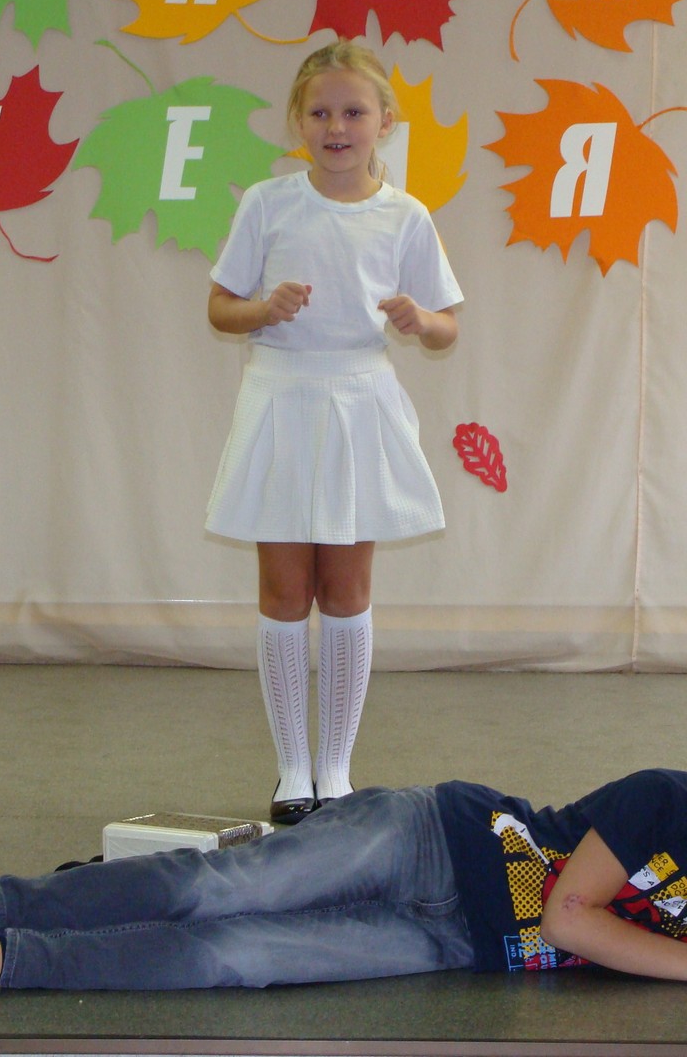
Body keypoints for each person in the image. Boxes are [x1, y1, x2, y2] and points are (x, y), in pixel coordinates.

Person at [0, 685, 687, 994]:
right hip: (431, 840)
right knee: (231, 888)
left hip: (450, 940)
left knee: (238, 958)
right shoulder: (667, 800)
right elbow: (572, 917)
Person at [203, 41, 463, 825]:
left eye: (353, 112)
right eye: (319, 112)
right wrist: (264, 309)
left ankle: (337, 771)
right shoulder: (268, 203)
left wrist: (421, 321)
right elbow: (220, 307)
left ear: (385, 121)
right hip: (281, 399)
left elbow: (447, 324)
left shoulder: (405, 215)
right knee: (286, 589)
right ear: (298, 121)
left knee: (345, 589)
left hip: (360, 402)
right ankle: (293, 771)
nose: (336, 126)